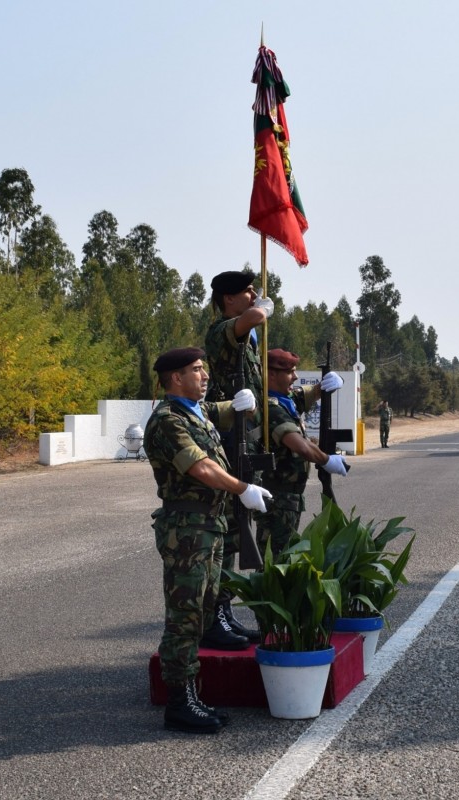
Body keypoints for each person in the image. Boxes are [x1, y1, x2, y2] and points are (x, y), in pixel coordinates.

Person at [145, 347, 271, 734]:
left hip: (208, 526)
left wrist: (238, 405)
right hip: (187, 529)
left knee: (200, 612)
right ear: (175, 378)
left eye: (204, 369)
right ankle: (179, 704)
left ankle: (193, 694)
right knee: (183, 618)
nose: (204, 376)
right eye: (196, 371)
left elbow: (219, 410)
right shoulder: (168, 420)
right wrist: (242, 488)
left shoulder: (193, 412)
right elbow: (201, 466)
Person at [202, 270, 272, 647]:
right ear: (228, 299)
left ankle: (224, 612)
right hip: (227, 436)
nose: (254, 294)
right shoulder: (222, 331)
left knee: (234, 529)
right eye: (247, 291)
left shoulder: (248, 340)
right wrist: (259, 308)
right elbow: (255, 316)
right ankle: (214, 617)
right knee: (226, 532)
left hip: (244, 437)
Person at [258, 349, 349, 557]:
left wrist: (336, 380)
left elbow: (316, 391)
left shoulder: (286, 399)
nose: (295, 376)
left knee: (284, 555)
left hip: (289, 497)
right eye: (290, 372)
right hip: (277, 498)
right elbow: (300, 446)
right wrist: (327, 460)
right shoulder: (270, 408)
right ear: (271, 374)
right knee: (275, 560)